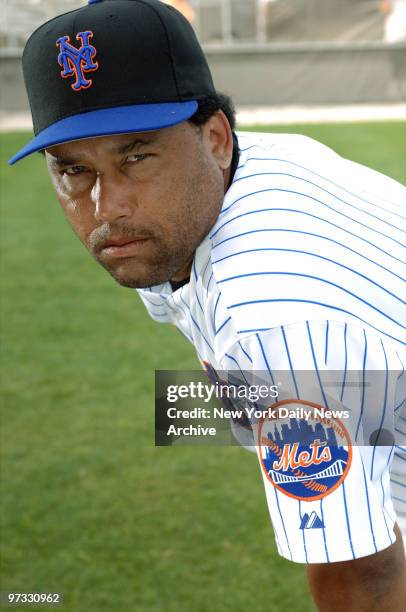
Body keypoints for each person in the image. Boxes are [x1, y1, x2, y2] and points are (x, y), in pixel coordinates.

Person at [8, 0, 406, 610]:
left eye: (135, 157)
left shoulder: (274, 325)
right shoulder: (227, 181)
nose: (104, 207)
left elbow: (366, 577)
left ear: (215, 138)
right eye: (72, 170)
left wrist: (270, 395)